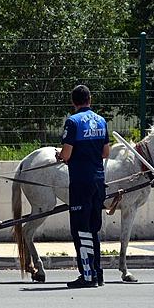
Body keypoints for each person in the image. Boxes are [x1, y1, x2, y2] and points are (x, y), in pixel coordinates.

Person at [56, 85, 110, 288]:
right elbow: (106, 152)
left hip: (81, 182)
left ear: (73, 102)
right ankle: (98, 273)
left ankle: (87, 275)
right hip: (98, 181)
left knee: (81, 229)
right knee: (94, 229)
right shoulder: (101, 120)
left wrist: (60, 156)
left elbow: (67, 154)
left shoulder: (73, 121)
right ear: (90, 99)